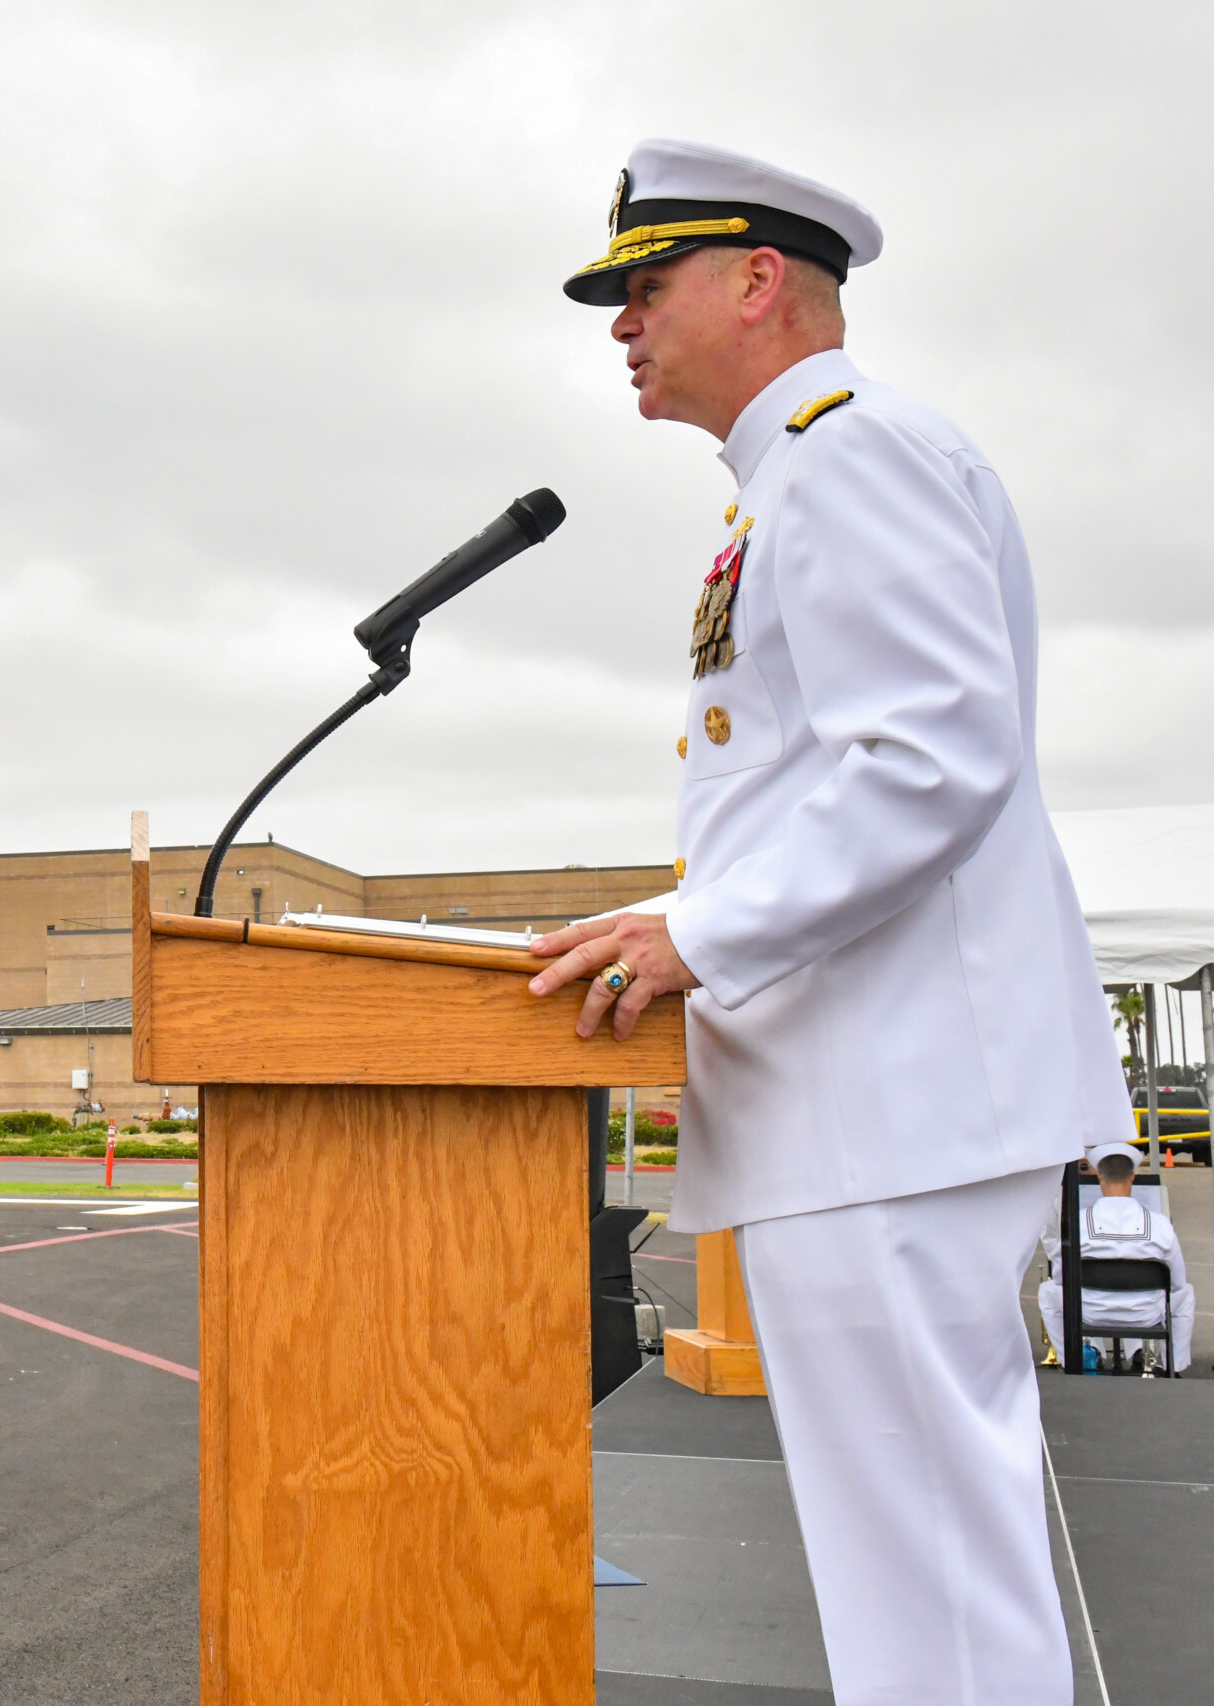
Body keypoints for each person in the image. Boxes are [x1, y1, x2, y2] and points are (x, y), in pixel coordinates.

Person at [531, 140, 1126, 1706]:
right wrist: (665, 910)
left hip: (896, 1095)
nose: (620, 325)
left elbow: (929, 755)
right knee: (912, 1557)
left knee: (925, 1560)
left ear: (758, 280)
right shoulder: (795, 474)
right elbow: (826, 782)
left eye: (644, 286)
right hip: (874, 1097)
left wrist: (697, 936)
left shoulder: (849, 453)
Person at [1040, 1144, 1193, 1374]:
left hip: (1090, 1311)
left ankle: (1079, 1356)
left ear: (1099, 1174)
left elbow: (1063, 1277)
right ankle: (1170, 1363)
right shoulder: (1160, 1225)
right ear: (1132, 1177)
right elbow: (1177, 1281)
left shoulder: (1077, 1224)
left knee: (1048, 1291)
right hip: (1145, 1314)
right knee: (1185, 1294)